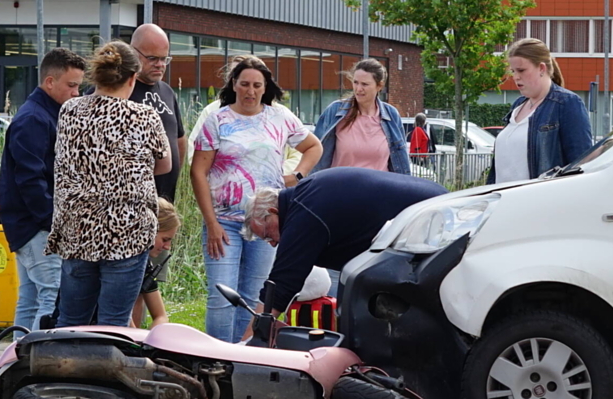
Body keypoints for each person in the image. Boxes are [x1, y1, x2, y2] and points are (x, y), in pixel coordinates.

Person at [191, 55, 323, 342]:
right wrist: (210, 222)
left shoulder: (281, 117)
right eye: (245, 84)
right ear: (234, 85)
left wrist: (296, 177)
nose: (250, 91)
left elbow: (314, 146)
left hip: (266, 225)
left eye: (257, 85)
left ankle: (242, 360)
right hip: (223, 223)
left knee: (253, 299)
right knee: (221, 298)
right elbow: (197, 172)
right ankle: (213, 359)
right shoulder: (217, 119)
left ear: (266, 88)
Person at [46, 41, 172, 326]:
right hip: (127, 231)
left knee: (71, 320)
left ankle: (65, 369)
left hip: (78, 230)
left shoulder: (70, 111)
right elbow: (165, 164)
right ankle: (105, 369)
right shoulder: (144, 116)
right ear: (131, 79)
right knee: (113, 322)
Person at [241, 167, 446, 332]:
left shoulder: (303, 212)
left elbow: (280, 285)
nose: (273, 243)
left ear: (273, 211)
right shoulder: (306, 196)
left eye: (268, 234)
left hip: (434, 218)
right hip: (434, 205)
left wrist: (248, 345)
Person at [0, 48, 86, 335]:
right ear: (50, 82)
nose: (76, 93)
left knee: (32, 297)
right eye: (71, 86)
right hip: (37, 225)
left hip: (28, 224)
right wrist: (53, 224)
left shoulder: (40, 114)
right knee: (52, 294)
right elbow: (30, 180)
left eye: (79, 86)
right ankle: (33, 362)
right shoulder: (35, 118)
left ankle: (13, 362)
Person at [487, 38, 592, 184]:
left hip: (541, 201)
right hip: (504, 202)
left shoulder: (566, 103)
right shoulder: (518, 105)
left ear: (541, 68)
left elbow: (581, 164)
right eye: (513, 71)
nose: (515, 77)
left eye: (521, 70)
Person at [312, 58, 411, 174]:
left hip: (380, 190)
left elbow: (401, 159)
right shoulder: (335, 111)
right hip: (341, 188)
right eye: (355, 82)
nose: (358, 89)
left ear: (379, 86)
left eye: (365, 84)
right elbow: (315, 153)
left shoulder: (391, 115)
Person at [130, 24, 187, 202]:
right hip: (131, 205)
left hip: (164, 204)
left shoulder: (167, 91)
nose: (160, 65)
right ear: (133, 52)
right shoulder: (118, 90)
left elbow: (179, 139)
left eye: (165, 59)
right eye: (153, 58)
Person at [131, 198, 181, 328]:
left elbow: (161, 316)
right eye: (165, 239)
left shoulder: (143, 263)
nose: (167, 247)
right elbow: (120, 315)